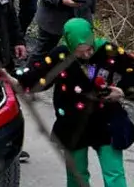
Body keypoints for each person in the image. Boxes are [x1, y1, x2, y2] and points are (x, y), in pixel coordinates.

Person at [15, 18, 134, 187]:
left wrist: (122, 90)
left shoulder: (108, 50)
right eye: (80, 51)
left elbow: (132, 71)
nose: (87, 54)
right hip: (73, 122)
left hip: (107, 120)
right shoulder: (61, 55)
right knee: (76, 175)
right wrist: (15, 80)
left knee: (113, 174)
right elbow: (37, 77)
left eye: (89, 49)